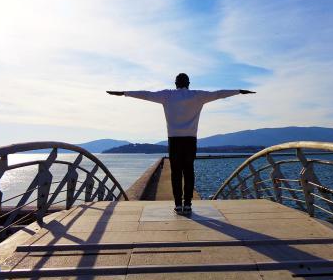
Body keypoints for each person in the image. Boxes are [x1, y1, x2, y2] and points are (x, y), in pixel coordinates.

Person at [107, 73, 255, 215]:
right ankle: (188, 204)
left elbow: (146, 94)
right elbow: (219, 93)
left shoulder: (167, 95)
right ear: (188, 84)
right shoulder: (198, 95)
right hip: (190, 140)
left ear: (176, 84)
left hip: (174, 140)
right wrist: (239, 91)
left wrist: (124, 93)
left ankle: (178, 204)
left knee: (176, 173)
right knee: (189, 172)